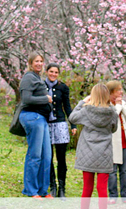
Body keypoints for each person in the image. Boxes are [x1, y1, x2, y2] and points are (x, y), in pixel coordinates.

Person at [68, 84, 118, 209]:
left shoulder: (86, 110)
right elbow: (114, 128)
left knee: (87, 187)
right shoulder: (112, 112)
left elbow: (72, 118)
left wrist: (82, 102)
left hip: (87, 152)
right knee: (102, 188)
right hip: (104, 153)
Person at [18, 52, 53, 199]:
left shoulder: (38, 77)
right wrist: (45, 99)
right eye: (36, 61)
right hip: (32, 117)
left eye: (41, 61)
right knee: (35, 155)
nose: (39, 64)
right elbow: (26, 99)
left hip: (42, 119)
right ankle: (31, 190)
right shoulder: (28, 77)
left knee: (46, 156)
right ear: (30, 63)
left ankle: (42, 190)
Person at [45, 63, 77, 198]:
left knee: (61, 158)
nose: (53, 74)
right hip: (45, 124)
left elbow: (67, 106)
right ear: (47, 72)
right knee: (48, 157)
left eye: (56, 72)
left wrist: (73, 124)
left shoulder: (63, 87)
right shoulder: (41, 86)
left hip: (60, 124)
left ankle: (62, 188)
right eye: (51, 71)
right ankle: (52, 186)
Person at [106, 80, 126, 204]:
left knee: (124, 170)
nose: (121, 92)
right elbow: (111, 119)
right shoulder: (106, 105)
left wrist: (122, 106)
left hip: (124, 141)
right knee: (112, 171)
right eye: (118, 89)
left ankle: (125, 195)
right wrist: (118, 106)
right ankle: (113, 195)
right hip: (112, 142)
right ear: (112, 92)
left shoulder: (121, 103)